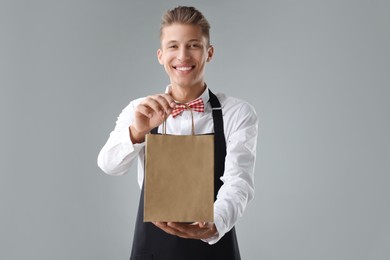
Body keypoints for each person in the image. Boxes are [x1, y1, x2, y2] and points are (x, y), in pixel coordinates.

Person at [97, 6, 258, 260]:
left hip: (214, 246)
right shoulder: (139, 109)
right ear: (160, 55)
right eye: (173, 46)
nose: (182, 56)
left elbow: (239, 183)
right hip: (152, 248)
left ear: (209, 53)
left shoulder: (237, 113)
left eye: (193, 45)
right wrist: (138, 131)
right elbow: (109, 165)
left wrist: (213, 223)